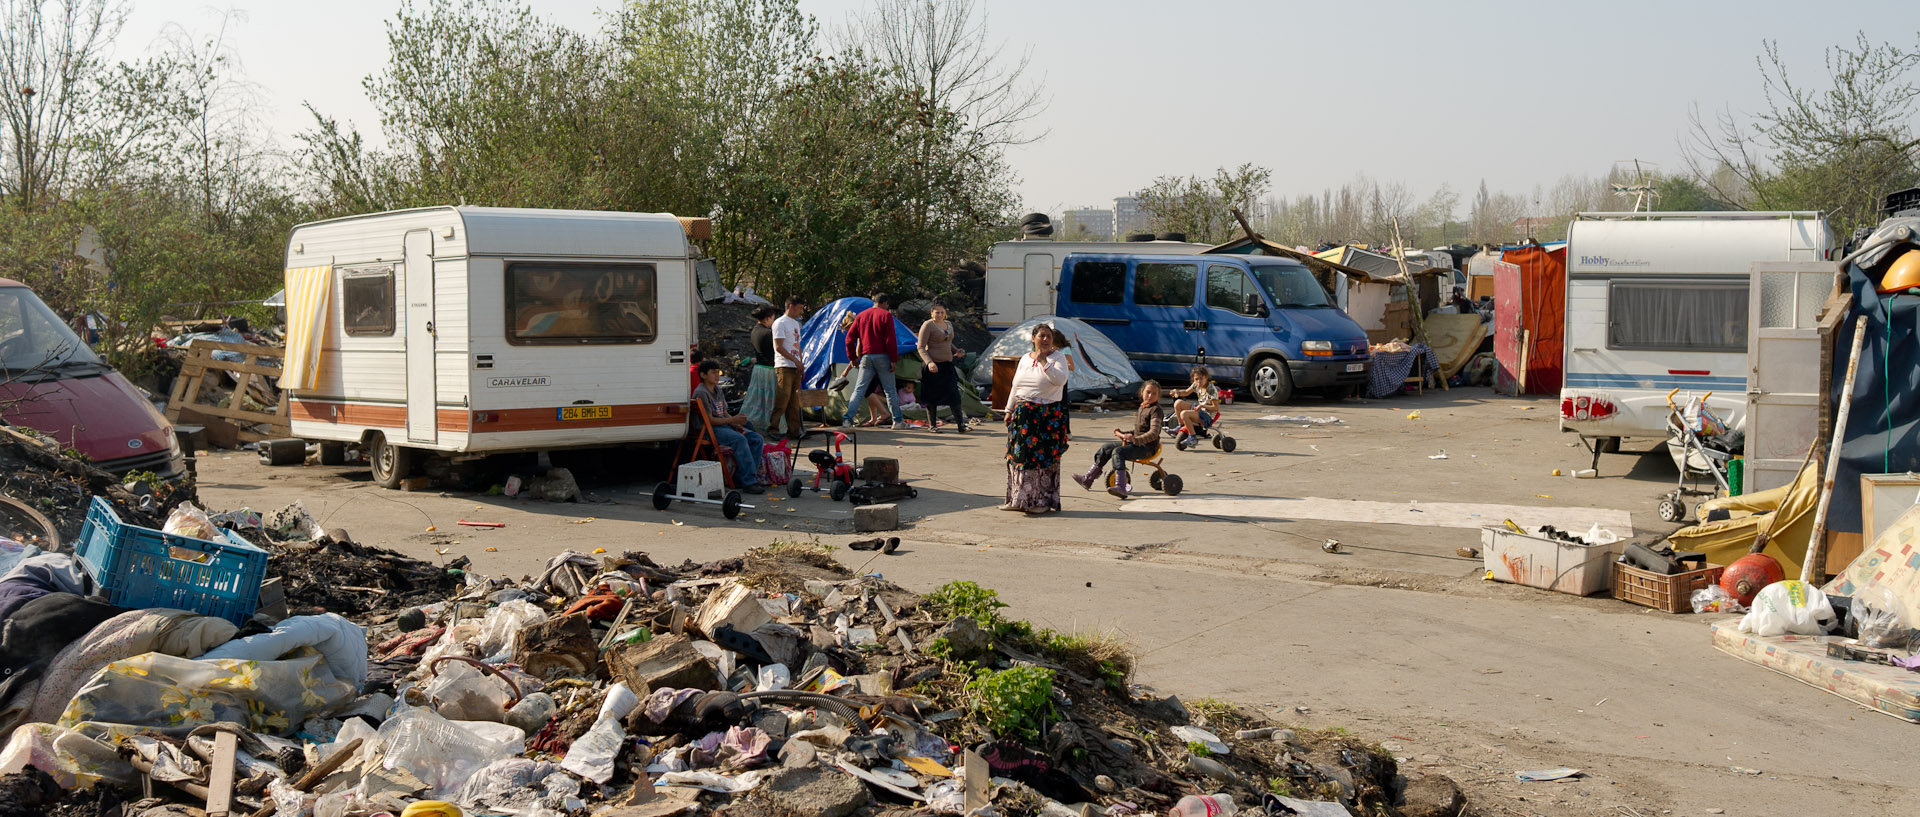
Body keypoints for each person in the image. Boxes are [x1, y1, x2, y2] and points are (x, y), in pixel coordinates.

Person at [1001, 323, 1075, 514]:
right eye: (1041, 336)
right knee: (1019, 457)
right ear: (1033, 338)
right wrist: (1009, 410)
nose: (1045, 339)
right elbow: (1015, 385)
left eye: (1048, 336)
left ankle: (1040, 502)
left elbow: (1059, 380)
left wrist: (1043, 362)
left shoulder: (1058, 358)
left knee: (1042, 460)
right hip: (1024, 414)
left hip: (1047, 416)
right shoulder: (1025, 359)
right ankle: (1018, 500)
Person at [1072, 381, 1161, 498]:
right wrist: (1124, 433)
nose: (1150, 396)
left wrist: (1135, 439)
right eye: (1148, 392)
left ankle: (1121, 486)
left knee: (1118, 452)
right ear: (1142, 392)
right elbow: (1139, 430)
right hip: (1138, 443)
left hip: (1147, 448)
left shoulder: (1156, 410)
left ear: (1158, 396)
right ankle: (1088, 479)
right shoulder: (1143, 407)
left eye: (1154, 394)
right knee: (1106, 448)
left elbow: (1153, 433)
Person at [692, 360, 766, 492]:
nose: (717, 376)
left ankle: (742, 477)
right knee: (739, 439)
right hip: (708, 429)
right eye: (713, 373)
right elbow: (711, 421)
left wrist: (735, 423)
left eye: (717, 373)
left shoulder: (718, 389)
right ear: (703, 375)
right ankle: (749, 482)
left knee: (756, 438)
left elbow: (724, 413)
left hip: (722, 426)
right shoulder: (702, 392)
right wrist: (733, 420)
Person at [842, 294, 906, 430]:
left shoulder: (860, 316)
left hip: (866, 357)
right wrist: (893, 359)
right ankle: (898, 421)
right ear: (885, 303)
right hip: (883, 357)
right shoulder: (886, 315)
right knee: (890, 390)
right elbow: (890, 340)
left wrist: (852, 357)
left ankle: (847, 420)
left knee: (859, 389)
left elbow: (849, 339)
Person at [916, 302, 968, 433]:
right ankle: (932, 425)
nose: (939, 315)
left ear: (946, 313)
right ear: (931, 313)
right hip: (933, 366)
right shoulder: (928, 325)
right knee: (931, 396)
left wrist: (957, 351)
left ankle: (961, 425)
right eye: (937, 312)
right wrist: (929, 362)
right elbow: (921, 347)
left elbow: (949, 343)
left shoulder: (949, 324)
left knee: (954, 394)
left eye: (942, 312)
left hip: (947, 365)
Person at [768, 296, 807, 439]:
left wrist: (800, 363)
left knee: (794, 401)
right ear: (791, 306)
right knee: (782, 399)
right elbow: (778, 347)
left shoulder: (795, 324)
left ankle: (794, 430)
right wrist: (795, 361)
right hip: (784, 366)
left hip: (795, 366)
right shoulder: (780, 323)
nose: (801, 311)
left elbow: (797, 346)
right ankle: (773, 428)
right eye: (800, 308)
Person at [740, 306, 780, 429]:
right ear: (767, 318)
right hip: (769, 369)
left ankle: (756, 422)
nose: (773, 321)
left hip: (759, 369)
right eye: (773, 318)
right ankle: (769, 423)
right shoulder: (769, 333)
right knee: (770, 399)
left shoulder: (755, 331)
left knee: (758, 398)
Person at [1169, 366, 1221, 447]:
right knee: (1178, 403)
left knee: (1184, 414)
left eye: (1201, 378)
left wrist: (1202, 406)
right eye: (1196, 379)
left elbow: (1216, 408)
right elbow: (1186, 392)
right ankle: (1181, 426)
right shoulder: (1196, 385)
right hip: (1200, 410)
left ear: (1206, 377)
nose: (1198, 381)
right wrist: (1177, 393)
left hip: (1207, 416)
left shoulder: (1211, 390)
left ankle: (1193, 437)